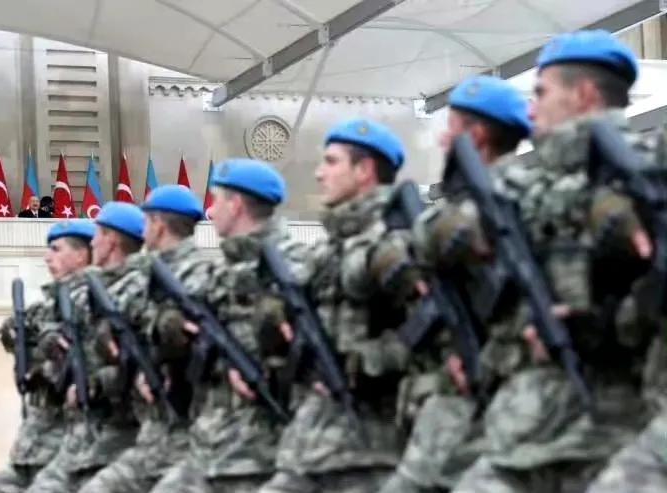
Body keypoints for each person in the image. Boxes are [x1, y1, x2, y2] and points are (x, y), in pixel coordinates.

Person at [424, 30, 658, 492]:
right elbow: (433, 236)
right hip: (536, 418)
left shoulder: (647, 170)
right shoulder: (528, 185)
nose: (530, 110)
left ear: (584, 94)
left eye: (542, 93)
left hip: (622, 419)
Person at [379, 75, 533, 493]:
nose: (442, 139)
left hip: (489, 383)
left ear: (475, 135)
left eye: (450, 127)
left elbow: (425, 241)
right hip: (475, 375)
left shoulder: (492, 200)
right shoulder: (511, 197)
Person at [257, 118, 419, 492]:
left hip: (372, 448)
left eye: (331, 162)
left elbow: (436, 331)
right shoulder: (327, 249)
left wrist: (368, 361)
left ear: (364, 170)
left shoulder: (396, 240)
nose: (319, 173)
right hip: (312, 444)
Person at [150, 158, 310, 493]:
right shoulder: (221, 268)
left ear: (235, 205)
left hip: (265, 446)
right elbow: (170, 314)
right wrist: (168, 324)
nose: (209, 211)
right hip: (213, 442)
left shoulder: (294, 261)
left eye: (216, 199)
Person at [79, 185, 215, 493]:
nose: (142, 231)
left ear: (158, 224)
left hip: (186, 427)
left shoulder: (200, 272)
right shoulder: (146, 276)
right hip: (154, 427)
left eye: (146, 221)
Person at [26, 202, 147, 493]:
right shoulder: (86, 294)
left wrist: (95, 382)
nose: (94, 243)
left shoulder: (135, 288)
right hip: (85, 430)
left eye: (99, 235)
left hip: (122, 429)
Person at [0, 218, 96, 493]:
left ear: (81, 255)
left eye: (57, 249)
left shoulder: (92, 300)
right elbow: (14, 338)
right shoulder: (46, 307)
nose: (47, 257)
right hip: (37, 440)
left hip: (73, 439)